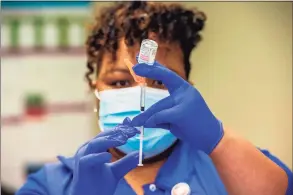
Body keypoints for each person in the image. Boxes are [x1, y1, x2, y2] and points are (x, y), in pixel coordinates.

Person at [16, 2, 292, 195]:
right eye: (120, 82)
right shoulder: (50, 185)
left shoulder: (231, 166)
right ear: (95, 87)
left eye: (160, 81)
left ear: (188, 89)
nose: (141, 97)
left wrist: (217, 138)